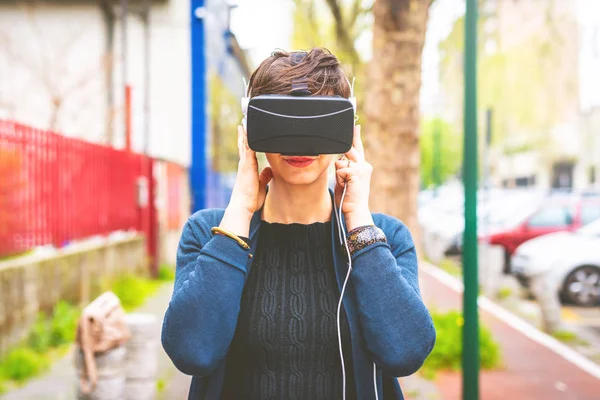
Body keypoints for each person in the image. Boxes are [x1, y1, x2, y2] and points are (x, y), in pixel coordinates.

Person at [161, 48, 436, 400]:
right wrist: (239, 213)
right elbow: (191, 352)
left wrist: (359, 223)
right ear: (251, 129)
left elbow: (407, 353)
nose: (299, 140)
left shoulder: (385, 237)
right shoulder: (210, 232)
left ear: (347, 131)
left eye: (318, 121)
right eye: (281, 121)